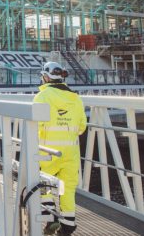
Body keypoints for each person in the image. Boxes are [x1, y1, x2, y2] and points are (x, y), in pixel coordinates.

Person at [33, 61, 87, 235]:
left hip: (48, 151)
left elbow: (36, 124)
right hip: (71, 153)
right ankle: (68, 226)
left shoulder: (42, 96)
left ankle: (50, 219)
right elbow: (82, 127)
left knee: (43, 183)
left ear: (46, 77)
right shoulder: (76, 98)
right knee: (67, 189)